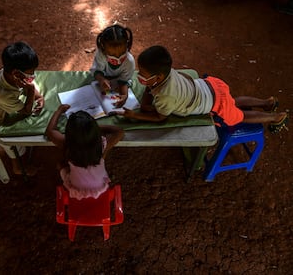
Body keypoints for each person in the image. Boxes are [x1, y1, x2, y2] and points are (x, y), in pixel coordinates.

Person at [117, 45, 289, 133]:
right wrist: (147, 97)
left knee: (239, 115)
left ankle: (275, 117)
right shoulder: (168, 72)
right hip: (210, 86)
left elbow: (160, 117)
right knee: (232, 100)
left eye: (143, 74)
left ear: (158, 77)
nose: (139, 77)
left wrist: (135, 115)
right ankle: (267, 102)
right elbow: (151, 89)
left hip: (212, 103)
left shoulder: (165, 96)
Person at [0, 41, 44, 175]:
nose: (32, 77)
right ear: (16, 74)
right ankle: (17, 168)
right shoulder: (3, 94)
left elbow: (27, 86)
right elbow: (27, 111)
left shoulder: (9, 74)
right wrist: (32, 89)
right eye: (30, 75)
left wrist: (38, 97)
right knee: (13, 143)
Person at [46, 104, 124, 199]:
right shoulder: (102, 145)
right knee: (100, 156)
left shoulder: (67, 145)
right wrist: (92, 128)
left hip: (75, 190)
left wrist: (59, 110)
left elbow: (50, 131)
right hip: (100, 189)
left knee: (60, 164)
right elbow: (119, 131)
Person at [90, 24, 135, 108]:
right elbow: (97, 71)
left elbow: (124, 80)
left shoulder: (129, 61)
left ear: (127, 46)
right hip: (104, 77)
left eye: (122, 53)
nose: (117, 58)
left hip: (120, 80)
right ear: (103, 48)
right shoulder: (100, 55)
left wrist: (124, 94)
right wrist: (101, 79)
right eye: (111, 54)